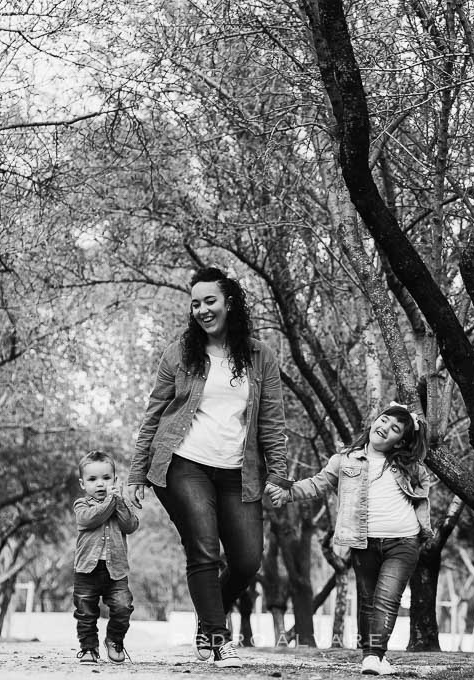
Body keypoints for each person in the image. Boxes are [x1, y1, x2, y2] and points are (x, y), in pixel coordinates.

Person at [125, 267, 291, 668]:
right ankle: (220, 638)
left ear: (229, 302)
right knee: (203, 548)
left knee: (249, 559)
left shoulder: (260, 355)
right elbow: (154, 415)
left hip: (239, 471)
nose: (201, 309)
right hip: (184, 464)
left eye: (209, 300)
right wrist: (135, 474)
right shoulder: (180, 353)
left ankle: (207, 621)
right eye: (195, 303)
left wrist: (279, 473)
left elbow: (272, 419)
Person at [267, 404, 430, 676]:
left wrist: (422, 528)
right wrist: (288, 493)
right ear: (374, 421)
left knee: (386, 599)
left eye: (395, 429)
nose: (385, 427)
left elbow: (422, 492)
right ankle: (376, 656)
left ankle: (372, 656)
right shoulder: (345, 460)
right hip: (363, 541)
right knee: (367, 601)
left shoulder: (409, 465)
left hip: (402, 542)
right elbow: (318, 483)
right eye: (384, 420)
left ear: (400, 440)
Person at [73, 450, 139, 664]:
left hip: (116, 571)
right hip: (86, 570)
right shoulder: (82, 505)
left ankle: (114, 639)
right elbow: (90, 519)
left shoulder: (120, 503)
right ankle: (88, 648)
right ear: (83, 484)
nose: (100, 484)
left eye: (106, 478)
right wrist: (111, 500)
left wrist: (119, 501)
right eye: (92, 479)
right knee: (85, 612)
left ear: (115, 480)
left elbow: (130, 525)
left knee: (123, 606)